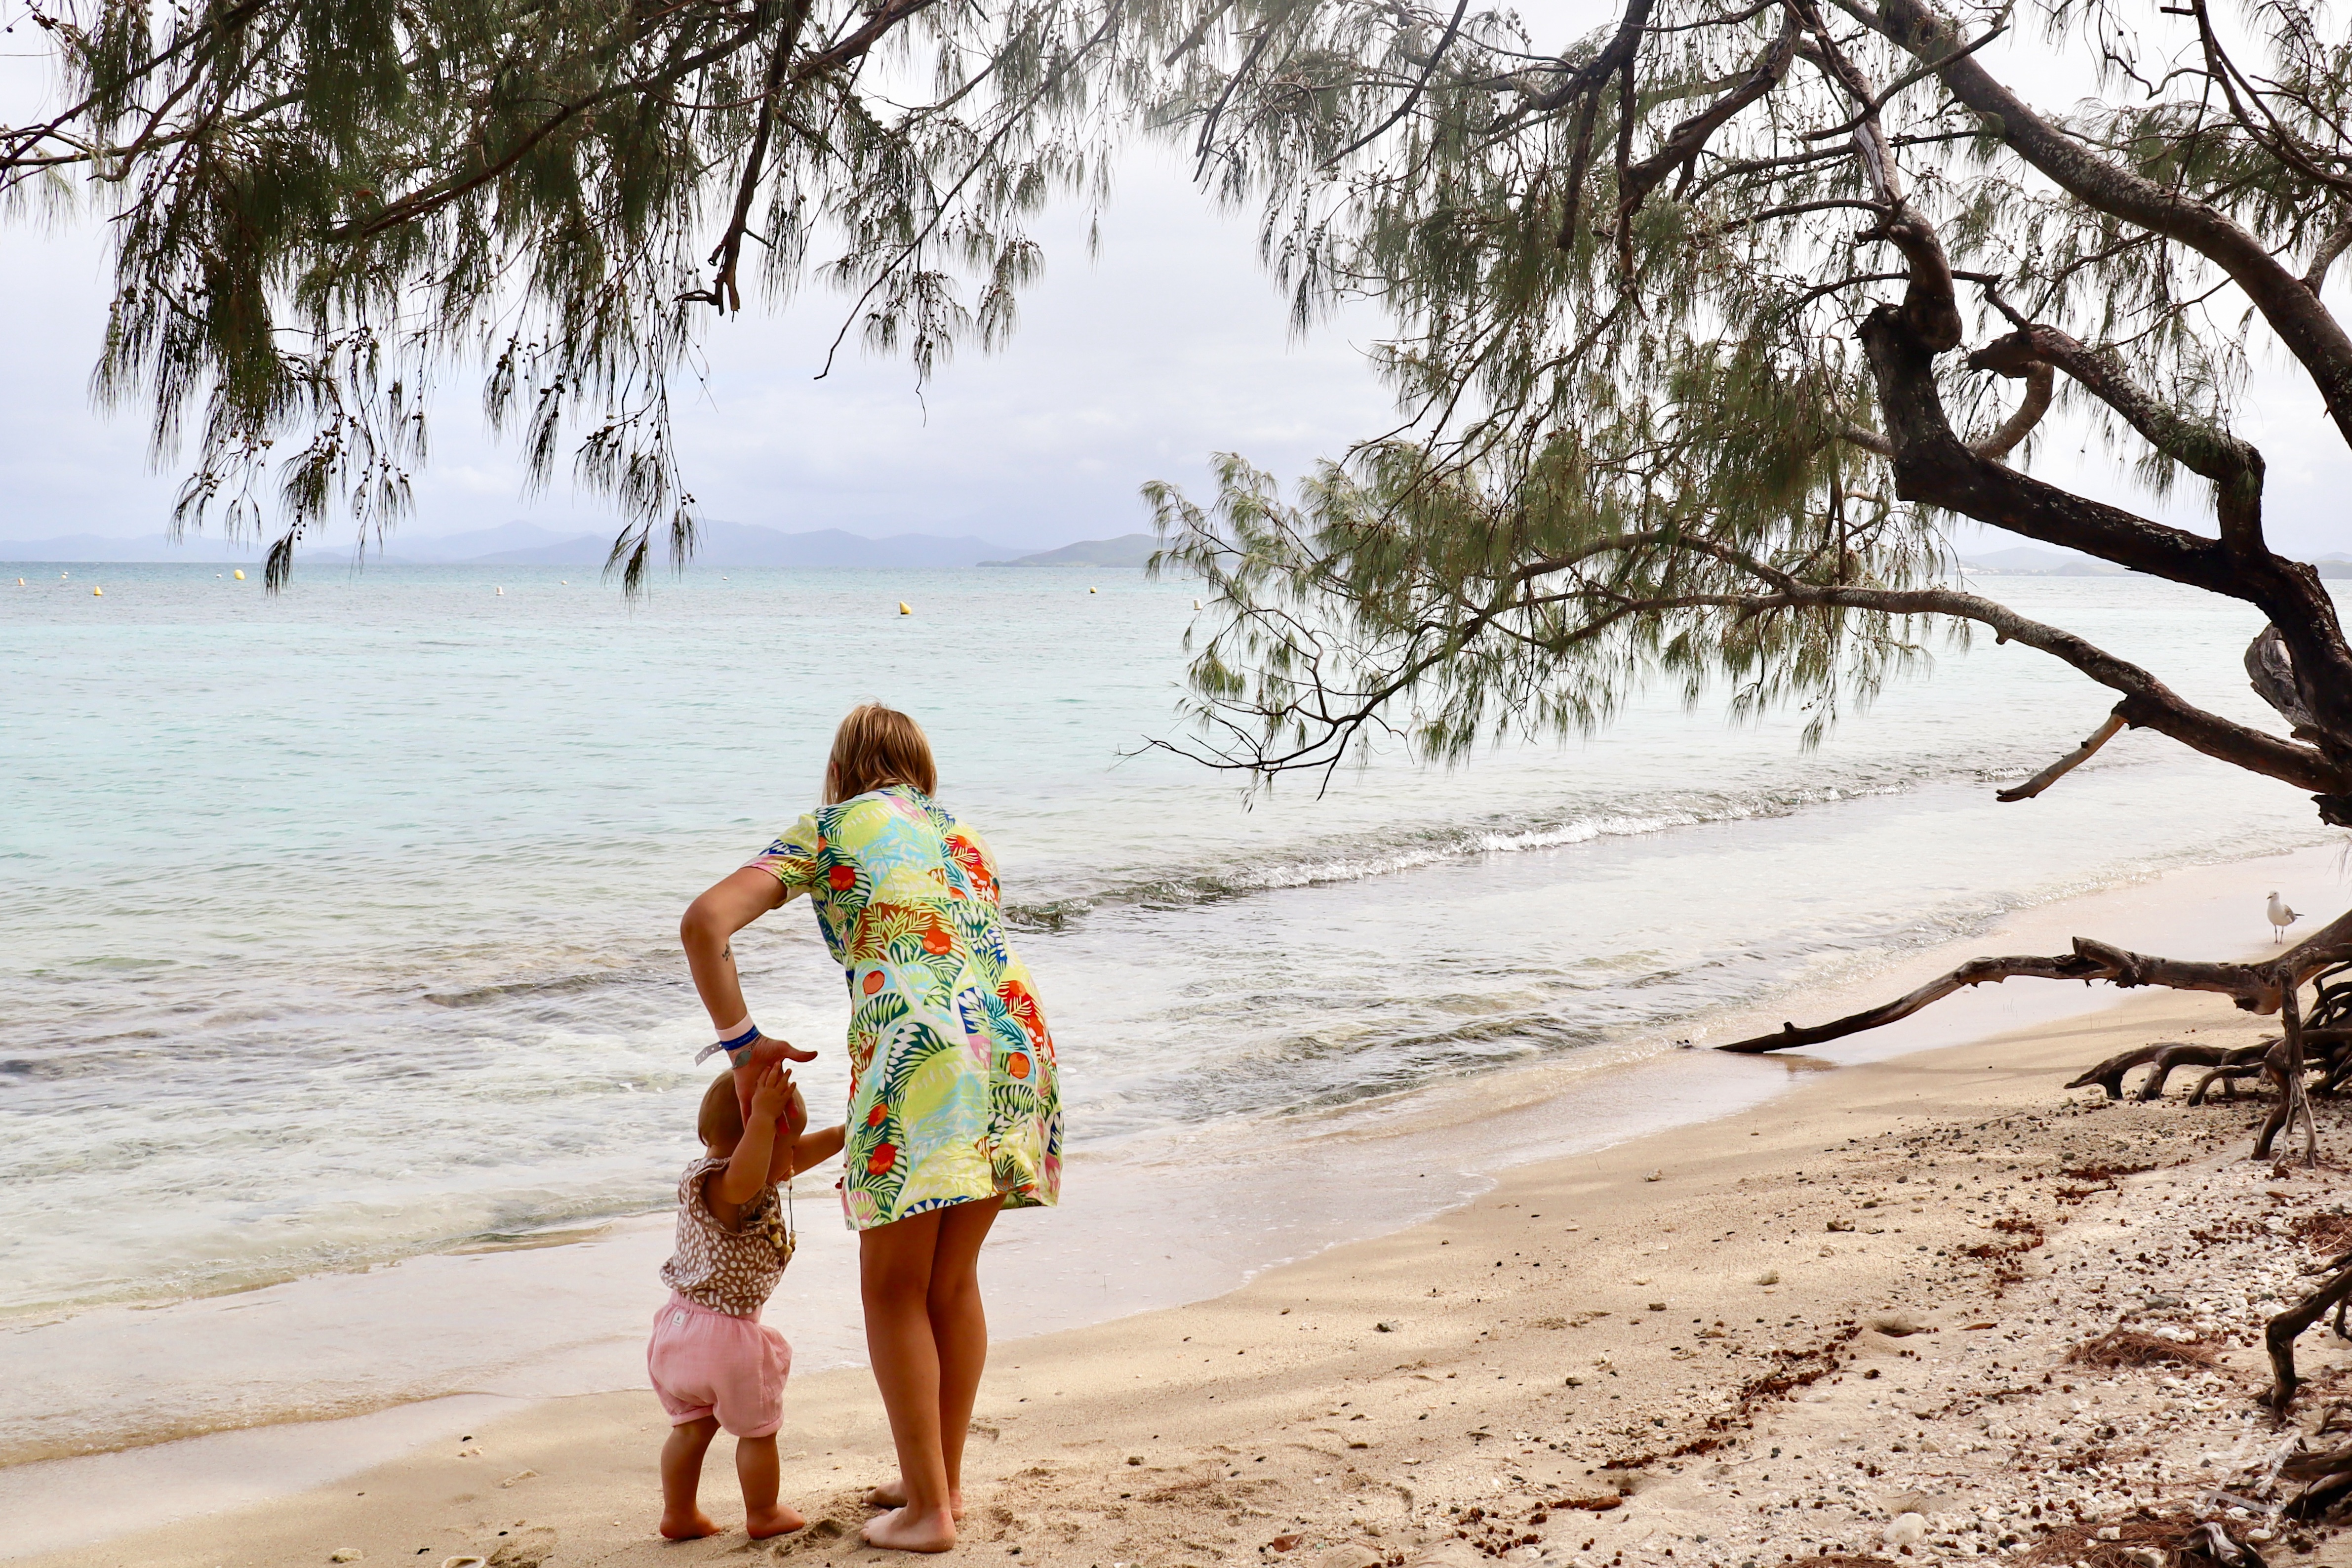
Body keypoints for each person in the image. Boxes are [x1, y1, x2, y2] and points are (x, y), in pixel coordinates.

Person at [679, 702, 1063, 1553]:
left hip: (921, 1056)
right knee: (950, 1282)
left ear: (842, 770)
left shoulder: (825, 830)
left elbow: (704, 923)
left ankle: (928, 1511)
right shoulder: (965, 837)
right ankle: (941, 1484)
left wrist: (744, 1050)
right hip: (1012, 1044)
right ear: (918, 768)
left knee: (893, 1287)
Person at [647, 1062, 845, 1541]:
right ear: (756, 1140)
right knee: (758, 1432)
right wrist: (763, 1118)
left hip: (677, 1327)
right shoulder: (725, 1186)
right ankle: (763, 1511)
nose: (794, 1158)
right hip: (724, 1336)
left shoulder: (724, 1175)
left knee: (690, 1430)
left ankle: (680, 1514)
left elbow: (788, 1156)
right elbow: (748, 1173)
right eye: (788, 1144)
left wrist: (845, 1133)